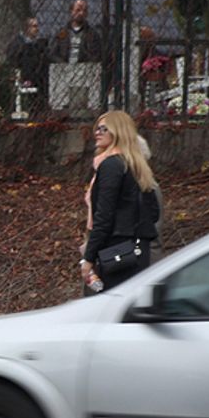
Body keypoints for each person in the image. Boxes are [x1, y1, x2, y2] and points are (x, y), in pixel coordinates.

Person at [80, 110, 160, 294]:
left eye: (103, 129)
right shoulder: (136, 165)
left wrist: (89, 258)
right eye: (96, 128)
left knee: (108, 306)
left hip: (116, 252)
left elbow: (104, 216)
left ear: (118, 132)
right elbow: (153, 212)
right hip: (138, 250)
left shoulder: (111, 165)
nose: (97, 133)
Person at [6, 17, 49, 112]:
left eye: (37, 26)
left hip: (39, 74)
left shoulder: (39, 44)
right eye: (34, 26)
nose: (37, 29)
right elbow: (13, 60)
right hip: (24, 73)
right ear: (27, 28)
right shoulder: (18, 44)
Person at [49, 0, 103, 65]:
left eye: (84, 10)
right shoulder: (62, 32)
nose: (81, 13)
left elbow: (96, 55)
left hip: (84, 69)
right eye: (78, 10)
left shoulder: (92, 34)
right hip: (64, 68)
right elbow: (53, 53)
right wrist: (63, 64)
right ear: (71, 11)